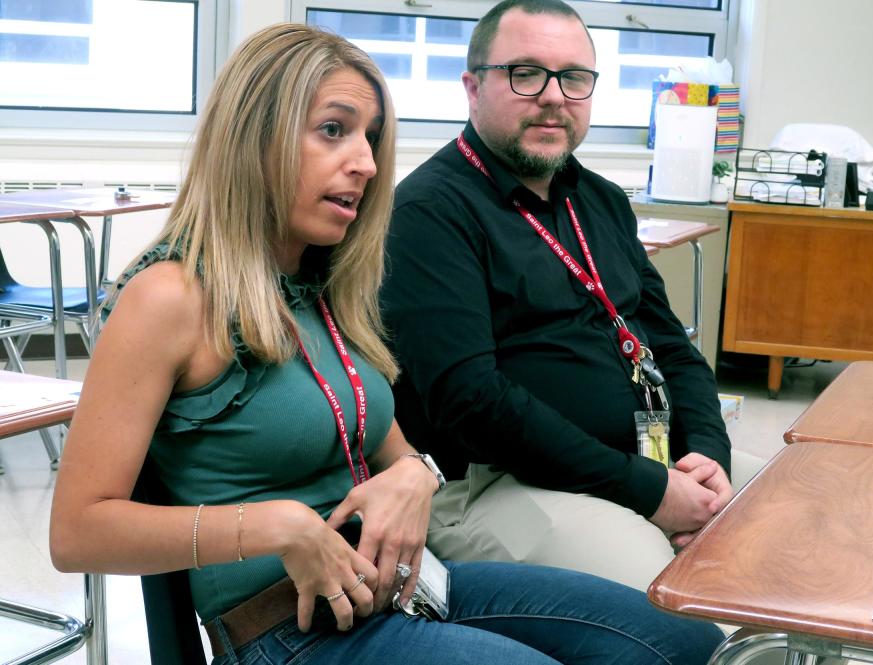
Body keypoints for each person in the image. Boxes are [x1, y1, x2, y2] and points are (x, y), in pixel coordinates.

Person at [48, 22, 724, 665]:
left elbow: (398, 451)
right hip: (289, 625)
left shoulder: (323, 282)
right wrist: (277, 526)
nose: (366, 164)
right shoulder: (168, 297)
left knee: (679, 642)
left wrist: (412, 474)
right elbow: (77, 532)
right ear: (254, 137)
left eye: (370, 139)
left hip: (398, 588)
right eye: (333, 132)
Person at [383, 0, 747, 591]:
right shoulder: (429, 212)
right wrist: (650, 491)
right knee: (677, 602)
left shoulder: (599, 199)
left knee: (795, 517)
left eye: (574, 78)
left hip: (639, 460)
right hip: (494, 482)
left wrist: (708, 452)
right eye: (526, 73)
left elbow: (670, 347)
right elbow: (473, 403)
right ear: (472, 88)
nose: (554, 96)